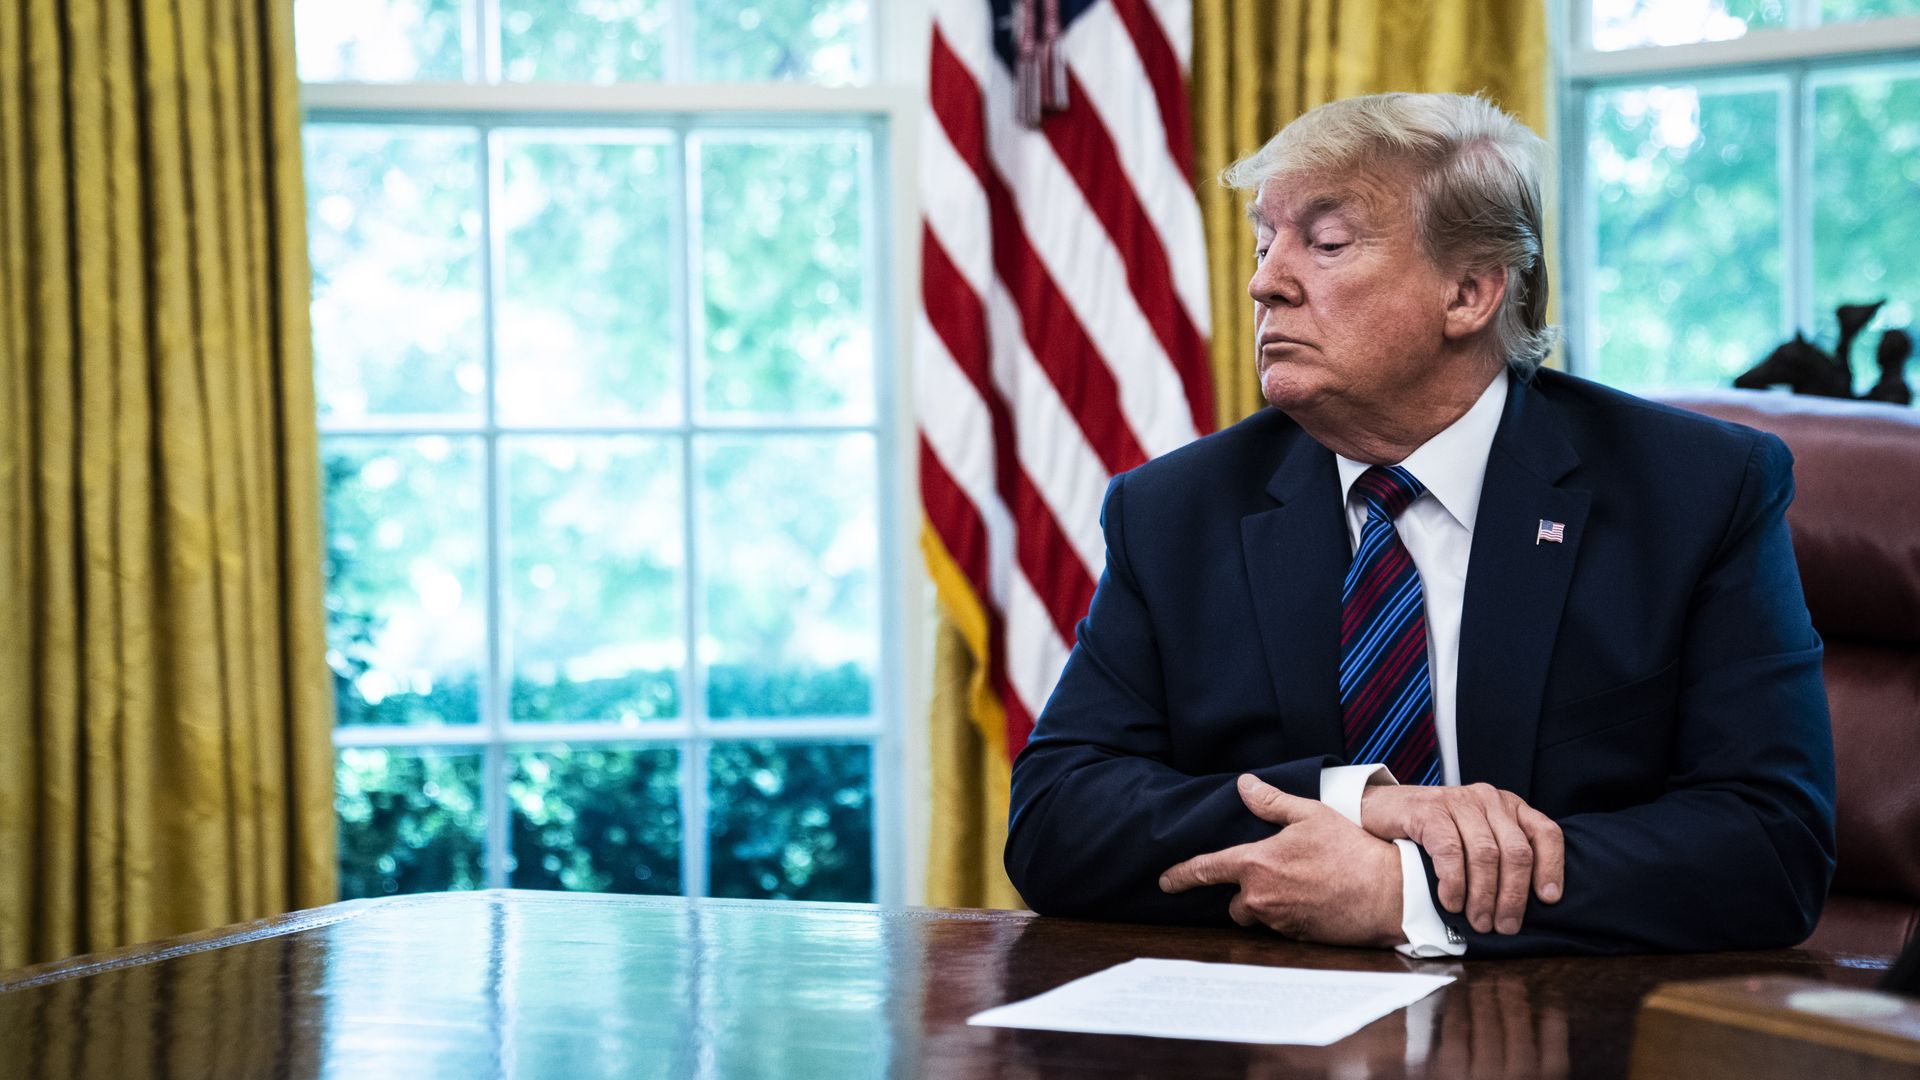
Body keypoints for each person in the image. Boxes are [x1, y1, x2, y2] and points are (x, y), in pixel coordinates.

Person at [1002, 92, 1836, 957]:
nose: (1264, 281)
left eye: (1324, 244)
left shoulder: (1698, 492)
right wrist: (1354, 801)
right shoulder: (1175, 511)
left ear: (1471, 293)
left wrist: (1410, 891)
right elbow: (1058, 818)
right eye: (1263, 242)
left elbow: (1769, 845)